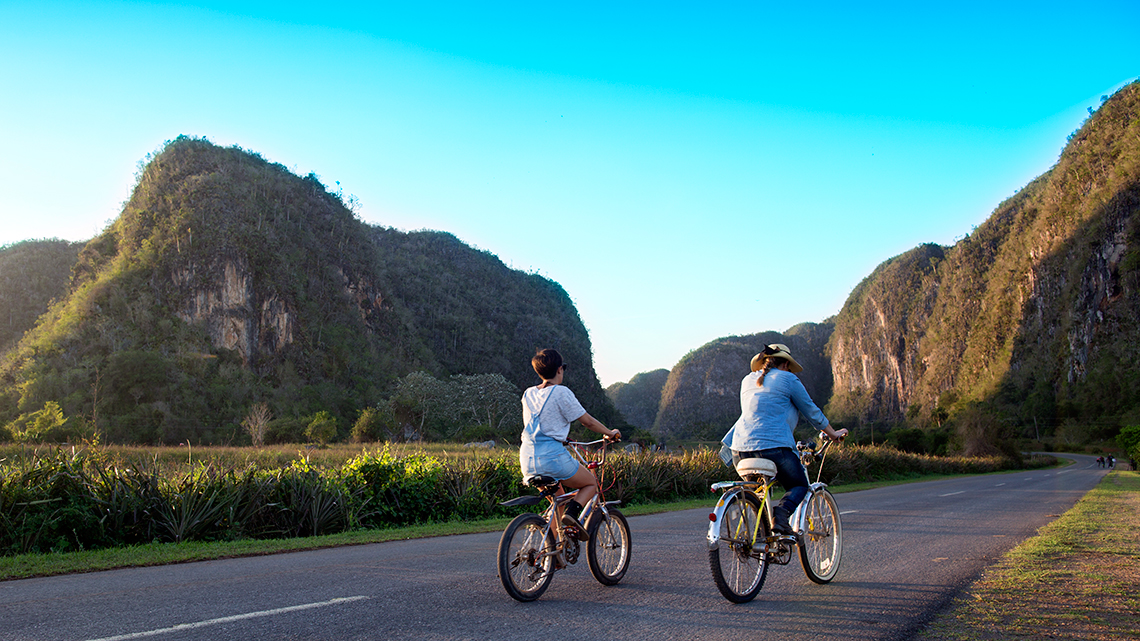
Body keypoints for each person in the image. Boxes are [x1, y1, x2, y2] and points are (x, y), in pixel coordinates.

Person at [721, 343, 848, 535]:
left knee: (759, 491)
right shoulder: (788, 378)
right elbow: (812, 412)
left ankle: (760, 536)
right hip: (775, 449)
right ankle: (780, 516)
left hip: (740, 450)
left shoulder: (747, 380)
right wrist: (833, 434)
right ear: (786, 364)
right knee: (799, 485)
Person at [519, 348, 621, 541]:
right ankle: (573, 515)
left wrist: (561, 436)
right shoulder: (561, 392)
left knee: (558, 500)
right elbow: (588, 422)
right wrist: (610, 433)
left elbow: (540, 422)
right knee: (591, 483)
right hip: (552, 458)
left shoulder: (528, 393)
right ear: (559, 369)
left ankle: (555, 553)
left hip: (527, 459)